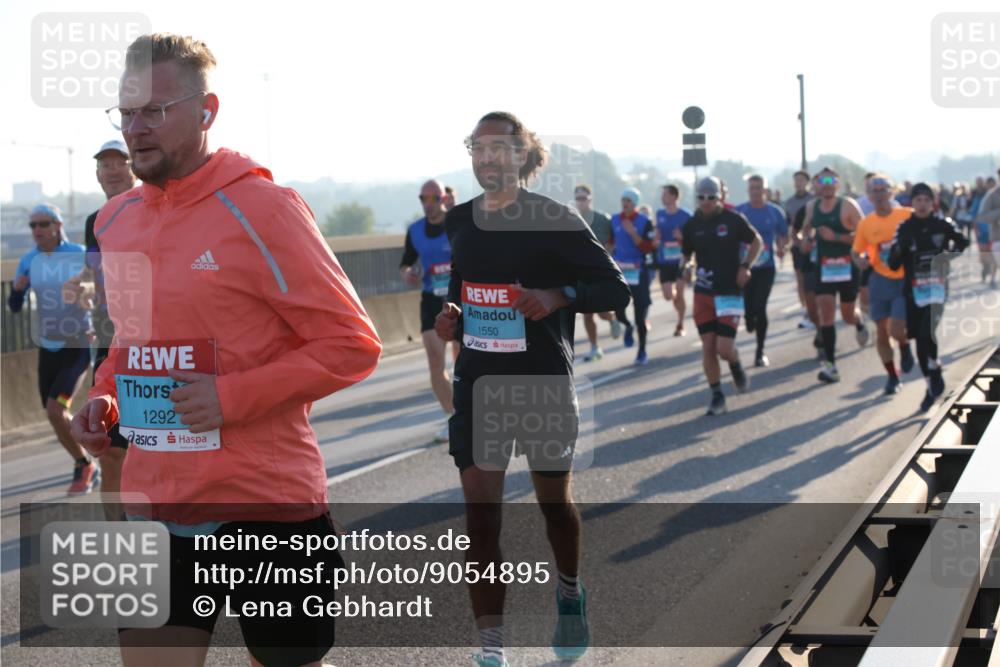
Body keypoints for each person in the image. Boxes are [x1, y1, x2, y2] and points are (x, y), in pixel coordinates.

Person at [69, 33, 381, 667]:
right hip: (156, 503)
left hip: (265, 504)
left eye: (155, 110)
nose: (136, 128)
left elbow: (350, 342)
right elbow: (131, 340)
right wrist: (102, 398)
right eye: (126, 112)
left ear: (206, 111)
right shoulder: (114, 221)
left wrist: (230, 397)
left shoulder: (264, 208)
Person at [436, 111, 629, 667]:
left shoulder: (555, 220)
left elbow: (616, 289)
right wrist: (452, 320)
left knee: (554, 509)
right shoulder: (460, 220)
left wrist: (559, 295)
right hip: (480, 386)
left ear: (521, 156)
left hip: (542, 383)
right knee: (481, 520)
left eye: (499, 148)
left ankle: (569, 591)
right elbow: (461, 289)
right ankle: (491, 652)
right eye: (479, 148)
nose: (487, 158)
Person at [61, 139, 137, 514]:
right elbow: (94, 274)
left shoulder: (154, 208)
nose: (112, 170)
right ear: (97, 174)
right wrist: (80, 286)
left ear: (134, 168)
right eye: (105, 165)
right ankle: (121, 539)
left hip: (154, 339)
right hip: (109, 340)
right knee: (111, 451)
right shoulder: (95, 222)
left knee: (156, 451)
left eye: (120, 162)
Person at [8, 204, 97, 495]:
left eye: (43, 224)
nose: (37, 230)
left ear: (58, 226)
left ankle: (84, 465)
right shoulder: (28, 260)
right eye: (32, 225)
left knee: (55, 409)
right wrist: (18, 289)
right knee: (53, 415)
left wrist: (86, 293)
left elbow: (99, 287)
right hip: (48, 347)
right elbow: (14, 307)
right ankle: (84, 460)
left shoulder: (78, 253)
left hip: (77, 343)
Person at [681, 177, 761, 415]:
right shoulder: (691, 225)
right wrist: (686, 268)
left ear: (719, 198)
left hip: (728, 291)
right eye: (701, 197)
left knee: (724, 348)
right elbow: (687, 255)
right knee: (708, 347)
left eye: (711, 197)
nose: (706, 201)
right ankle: (717, 395)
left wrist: (745, 266)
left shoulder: (733, 219)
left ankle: (735, 363)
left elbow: (756, 242)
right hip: (703, 292)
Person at [888, 182, 969, 412]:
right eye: (918, 200)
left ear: (933, 203)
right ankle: (930, 379)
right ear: (912, 203)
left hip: (937, 289)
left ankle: (933, 369)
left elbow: (963, 242)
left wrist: (946, 257)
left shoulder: (943, 225)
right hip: (913, 291)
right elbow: (893, 264)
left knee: (927, 331)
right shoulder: (904, 228)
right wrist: (900, 248)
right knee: (918, 339)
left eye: (926, 200)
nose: (922, 205)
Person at [400, 179, 459, 442]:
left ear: (443, 199)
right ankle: (453, 417)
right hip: (432, 301)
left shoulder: (457, 224)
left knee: (465, 363)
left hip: (461, 299)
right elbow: (405, 262)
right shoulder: (415, 231)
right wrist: (408, 273)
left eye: (433, 198)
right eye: (423, 199)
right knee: (435, 362)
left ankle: (474, 410)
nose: (428, 203)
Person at [800, 167, 869, 383]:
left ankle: (858, 321)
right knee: (826, 313)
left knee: (847, 315)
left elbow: (865, 235)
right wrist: (806, 240)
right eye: (822, 181)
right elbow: (806, 229)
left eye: (831, 181)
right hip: (824, 267)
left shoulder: (848, 205)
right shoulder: (812, 206)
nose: (827, 185)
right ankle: (831, 366)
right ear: (816, 185)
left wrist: (837, 237)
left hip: (847, 266)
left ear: (837, 184)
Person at [851, 175, 915, 395]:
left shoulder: (906, 215)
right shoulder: (866, 223)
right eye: (874, 191)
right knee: (881, 331)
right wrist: (859, 260)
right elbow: (856, 251)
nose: (879, 195)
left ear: (891, 193)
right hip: (879, 279)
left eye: (883, 190)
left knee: (896, 329)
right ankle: (892, 376)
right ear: (869, 196)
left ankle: (904, 345)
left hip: (904, 279)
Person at [736, 175, 788, 367]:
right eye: (752, 188)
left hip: (766, 267)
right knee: (749, 309)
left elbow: (783, 234)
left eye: (759, 187)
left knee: (760, 306)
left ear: (765, 190)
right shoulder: (740, 212)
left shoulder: (774, 212)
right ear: (748, 190)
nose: (755, 191)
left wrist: (782, 246)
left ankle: (760, 351)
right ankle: (749, 319)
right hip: (745, 267)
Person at [574, 183, 620, 361]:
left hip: (600, 272)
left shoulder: (602, 219)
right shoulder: (572, 219)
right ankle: (594, 347)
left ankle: (612, 318)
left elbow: (613, 241)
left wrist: (607, 259)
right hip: (582, 272)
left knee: (601, 312)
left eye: (584, 198)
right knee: (587, 313)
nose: (581, 201)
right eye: (578, 198)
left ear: (590, 199)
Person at [611, 187, 655, 365]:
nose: (625, 203)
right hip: (620, 272)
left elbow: (648, 248)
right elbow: (610, 245)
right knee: (619, 312)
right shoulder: (614, 219)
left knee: (640, 315)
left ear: (635, 203)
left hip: (639, 272)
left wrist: (632, 232)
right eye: (623, 200)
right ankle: (628, 327)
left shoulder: (645, 222)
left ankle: (642, 350)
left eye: (629, 200)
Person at [655, 184, 692, 337]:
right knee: (668, 296)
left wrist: (681, 238)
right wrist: (656, 239)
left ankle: (680, 323)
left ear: (674, 196)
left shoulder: (686, 215)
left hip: (681, 260)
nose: (662, 197)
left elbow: (692, 240)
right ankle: (675, 296)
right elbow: (657, 237)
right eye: (662, 194)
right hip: (665, 260)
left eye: (665, 194)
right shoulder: (659, 214)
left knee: (680, 292)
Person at [784, 170, 815, 330]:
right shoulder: (789, 203)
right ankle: (806, 308)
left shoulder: (813, 200)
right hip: (797, 246)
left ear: (807, 182)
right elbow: (790, 226)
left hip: (814, 245)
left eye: (801, 180)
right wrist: (793, 242)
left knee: (813, 279)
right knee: (800, 279)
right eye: (796, 180)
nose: (798, 183)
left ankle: (813, 310)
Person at [974, 170, 1000, 288]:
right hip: (997, 237)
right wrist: (998, 213)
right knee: (995, 260)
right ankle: (992, 278)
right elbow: (982, 215)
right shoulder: (992, 195)